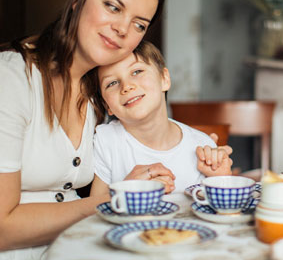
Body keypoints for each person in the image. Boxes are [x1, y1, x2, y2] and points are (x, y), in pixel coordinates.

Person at [0, 0, 231, 260]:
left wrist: (204, 157)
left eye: (139, 24)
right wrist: (111, 200)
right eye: (113, 6)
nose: (123, 28)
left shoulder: (98, 94)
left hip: (80, 253)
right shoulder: (10, 78)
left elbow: (149, 135)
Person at [88, 41, 232, 196]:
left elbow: (221, 212)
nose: (126, 86)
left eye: (136, 72)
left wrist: (221, 180)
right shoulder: (107, 141)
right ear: (106, 105)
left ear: (164, 79)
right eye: (112, 83)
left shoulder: (203, 147)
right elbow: (93, 211)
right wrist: (127, 190)